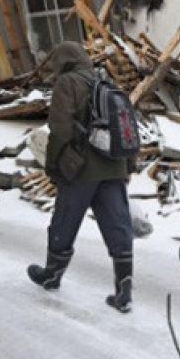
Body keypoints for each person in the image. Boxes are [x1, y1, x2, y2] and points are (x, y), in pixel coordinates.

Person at [27, 41, 136, 312]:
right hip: (113, 166)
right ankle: (124, 290)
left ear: (63, 62)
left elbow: (60, 130)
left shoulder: (67, 83)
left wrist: (53, 166)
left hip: (81, 170)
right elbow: (127, 125)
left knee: (64, 221)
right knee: (118, 226)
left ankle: (52, 275)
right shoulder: (105, 82)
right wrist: (128, 166)